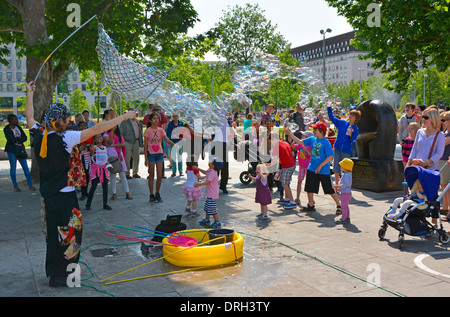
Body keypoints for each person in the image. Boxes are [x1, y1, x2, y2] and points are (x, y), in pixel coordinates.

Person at [25, 80, 135, 287]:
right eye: (66, 119)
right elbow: (99, 128)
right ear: (59, 123)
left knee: (54, 235)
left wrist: (30, 94)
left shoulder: (40, 133)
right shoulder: (65, 138)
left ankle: (55, 273)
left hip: (49, 196)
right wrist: (123, 117)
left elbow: (29, 116)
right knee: (71, 235)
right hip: (65, 198)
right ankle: (67, 276)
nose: (69, 121)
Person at [284, 122, 342, 214]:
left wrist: (320, 166)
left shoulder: (325, 142)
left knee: (329, 189)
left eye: (315, 129)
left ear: (321, 131)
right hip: (312, 168)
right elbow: (300, 141)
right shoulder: (312, 139)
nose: (313, 131)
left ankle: (339, 205)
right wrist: (290, 134)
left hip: (323, 170)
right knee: (309, 187)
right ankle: (311, 205)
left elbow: (330, 156)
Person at [406, 107, 445, 227]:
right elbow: (414, 149)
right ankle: (419, 219)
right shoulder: (420, 132)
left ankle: (434, 220)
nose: (423, 119)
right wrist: (409, 163)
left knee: (432, 195)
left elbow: (439, 153)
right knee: (416, 193)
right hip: (417, 167)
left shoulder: (440, 135)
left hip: (430, 169)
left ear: (433, 119)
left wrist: (428, 162)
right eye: (423, 117)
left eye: (426, 117)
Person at [144, 112, 176, 203]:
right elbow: (145, 146)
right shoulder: (148, 131)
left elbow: (167, 140)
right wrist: (146, 158)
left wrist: (175, 145)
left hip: (159, 153)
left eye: (157, 118)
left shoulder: (161, 130)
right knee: (151, 176)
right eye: (154, 118)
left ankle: (157, 193)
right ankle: (151, 194)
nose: (156, 120)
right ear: (150, 120)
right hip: (151, 154)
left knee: (159, 175)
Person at [327, 101, 361, 185]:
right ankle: (337, 184)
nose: (350, 116)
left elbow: (353, 140)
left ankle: (345, 185)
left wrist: (350, 134)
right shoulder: (342, 123)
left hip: (346, 150)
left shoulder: (355, 129)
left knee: (346, 168)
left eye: (352, 115)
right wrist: (329, 107)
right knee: (336, 167)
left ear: (355, 118)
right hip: (337, 147)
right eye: (350, 114)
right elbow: (331, 118)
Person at [3, 113, 35, 192]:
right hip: (12, 150)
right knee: (13, 168)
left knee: (25, 167)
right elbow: (10, 139)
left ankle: (30, 185)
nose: (17, 121)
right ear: (11, 121)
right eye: (15, 119)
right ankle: (15, 186)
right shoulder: (7, 129)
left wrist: (17, 139)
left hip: (20, 149)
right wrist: (18, 139)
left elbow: (24, 137)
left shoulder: (18, 127)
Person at [267, 130, 297, 210]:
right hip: (292, 165)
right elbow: (292, 154)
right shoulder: (285, 143)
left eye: (270, 141)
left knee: (284, 184)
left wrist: (268, 165)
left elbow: (275, 160)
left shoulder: (276, 147)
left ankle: (292, 202)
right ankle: (287, 199)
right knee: (286, 183)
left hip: (287, 166)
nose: (270, 143)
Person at [104, 125, 133, 201]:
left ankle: (127, 192)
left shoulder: (119, 135)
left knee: (122, 175)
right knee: (112, 176)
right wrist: (112, 133)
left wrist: (113, 145)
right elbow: (109, 141)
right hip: (110, 157)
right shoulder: (106, 135)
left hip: (119, 157)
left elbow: (123, 144)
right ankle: (114, 193)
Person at [195, 159, 223, 229]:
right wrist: (198, 168)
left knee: (212, 209)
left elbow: (208, 182)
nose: (210, 162)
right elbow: (205, 172)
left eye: (212, 162)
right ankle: (207, 219)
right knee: (207, 207)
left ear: (213, 166)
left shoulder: (213, 172)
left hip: (212, 194)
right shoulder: (210, 170)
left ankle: (217, 222)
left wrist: (199, 184)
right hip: (209, 193)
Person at [85, 134, 111, 210]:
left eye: (100, 137)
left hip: (103, 170)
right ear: (94, 140)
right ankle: (88, 204)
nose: (99, 138)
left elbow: (105, 158)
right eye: (97, 137)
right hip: (96, 170)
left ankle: (105, 204)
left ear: (102, 139)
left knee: (105, 187)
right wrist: (92, 151)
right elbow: (91, 155)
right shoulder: (94, 148)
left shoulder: (105, 148)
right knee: (93, 187)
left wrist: (108, 163)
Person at [120, 107, 143, 179]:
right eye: (131, 112)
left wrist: (140, 142)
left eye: (134, 112)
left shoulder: (138, 122)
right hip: (127, 142)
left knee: (136, 157)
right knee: (127, 158)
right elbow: (121, 133)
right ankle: (127, 173)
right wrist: (122, 142)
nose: (133, 114)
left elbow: (140, 132)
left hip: (136, 141)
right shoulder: (124, 122)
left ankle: (135, 173)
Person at [333, 158, 354, 224]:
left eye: (342, 165)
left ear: (345, 167)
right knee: (346, 206)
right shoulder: (348, 174)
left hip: (345, 193)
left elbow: (346, 184)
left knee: (343, 207)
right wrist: (340, 188)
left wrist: (338, 186)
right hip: (346, 193)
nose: (340, 167)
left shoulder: (347, 175)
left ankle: (343, 219)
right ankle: (347, 217)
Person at [295, 131, 313, 206]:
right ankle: (297, 198)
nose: (302, 136)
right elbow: (294, 146)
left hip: (309, 167)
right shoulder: (301, 144)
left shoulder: (310, 146)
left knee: (309, 184)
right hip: (302, 166)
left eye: (304, 135)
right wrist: (293, 141)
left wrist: (307, 151)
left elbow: (313, 156)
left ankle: (311, 200)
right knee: (299, 181)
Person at [78, 121, 94, 201]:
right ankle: (82, 192)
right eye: (82, 126)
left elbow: (92, 143)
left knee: (87, 175)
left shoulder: (89, 135)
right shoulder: (77, 136)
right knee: (82, 175)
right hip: (81, 157)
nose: (84, 127)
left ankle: (85, 191)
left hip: (88, 157)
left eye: (85, 126)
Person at [439, 111, 450, 220]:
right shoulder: (445, 131)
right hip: (442, 160)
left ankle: (449, 211)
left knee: (447, 186)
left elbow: (443, 143)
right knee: (443, 185)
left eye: (443, 120)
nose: (441, 122)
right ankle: (445, 206)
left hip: (447, 161)